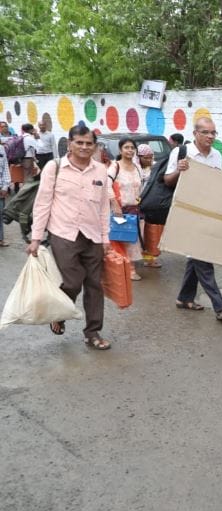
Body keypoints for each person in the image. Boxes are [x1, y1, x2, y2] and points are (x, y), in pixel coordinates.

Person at [27, 125, 113, 350]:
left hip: (93, 235)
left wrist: (106, 238)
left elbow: (104, 207)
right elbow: (43, 203)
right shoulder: (54, 167)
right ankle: (60, 314)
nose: (84, 147)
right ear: (69, 143)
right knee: (72, 282)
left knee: (94, 285)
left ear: (94, 146)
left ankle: (92, 332)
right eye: (79, 142)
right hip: (64, 234)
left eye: (89, 143)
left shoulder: (100, 170)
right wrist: (36, 238)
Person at [164, 118, 222, 322]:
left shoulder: (217, 156)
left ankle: (184, 298)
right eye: (206, 132)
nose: (210, 136)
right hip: (186, 212)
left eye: (213, 133)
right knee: (202, 257)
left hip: (207, 212)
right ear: (195, 133)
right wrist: (179, 170)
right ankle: (220, 307)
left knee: (196, 256)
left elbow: (220, 184)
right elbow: (167, 180)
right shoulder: (181, 152)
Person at [108, 137, 144, 281]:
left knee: (134, 239)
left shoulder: (137, 167)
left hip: (136, 210)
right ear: (120, 150)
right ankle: (127, 269)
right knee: (122, 238)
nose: (130, 150)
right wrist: (115, 204)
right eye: (126, 147)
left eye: (132, 148)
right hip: (120, 210)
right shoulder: (114, 167)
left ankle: (129, 267)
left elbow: (141, 186)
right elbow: (106, 185)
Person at [0, 144, 10, 247]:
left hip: (0, 188)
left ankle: (0, 239)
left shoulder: (1, 148)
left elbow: (5, 168)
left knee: (0, 214)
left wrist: (5, 186)